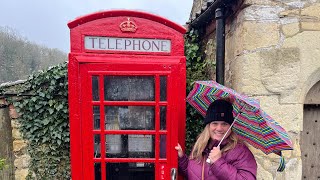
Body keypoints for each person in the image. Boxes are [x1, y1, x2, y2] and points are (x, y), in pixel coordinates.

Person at [175, 99, 257, 180]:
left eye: (224, 124)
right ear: (208, 125)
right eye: (215, 123)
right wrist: (182, 159)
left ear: (230, 127)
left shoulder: (241, 152)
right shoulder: (201, 146)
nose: (219, 128)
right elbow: (193, 174)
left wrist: (218, 162)